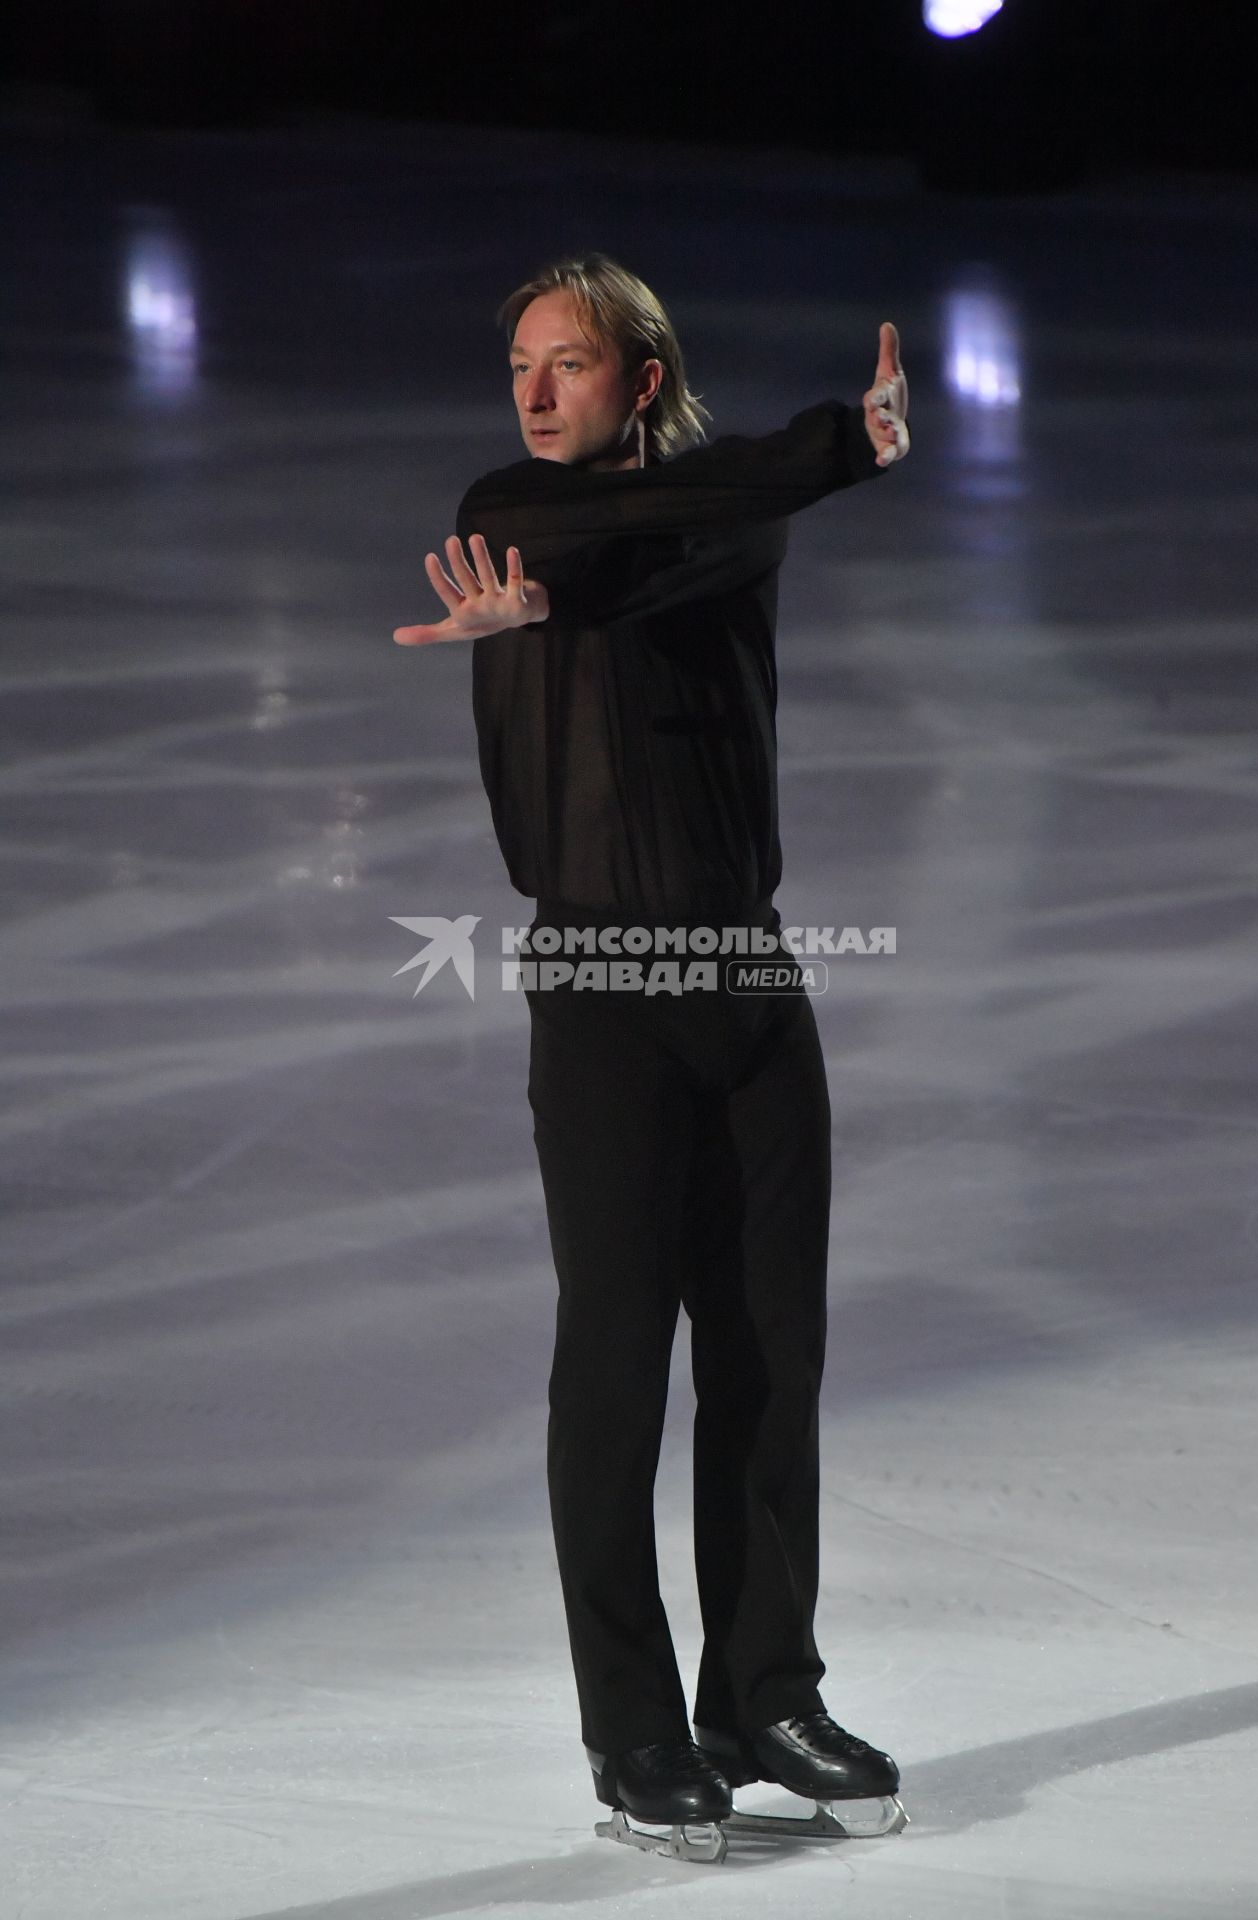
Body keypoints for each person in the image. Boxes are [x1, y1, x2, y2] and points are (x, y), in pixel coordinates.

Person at [394, 252, 911, 1854]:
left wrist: (810, 461)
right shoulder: (512, 512)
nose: (537, 393)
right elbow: (573, 549)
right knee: (617, 1366)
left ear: (641, 376)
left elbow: (657, 544)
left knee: (770, 1351)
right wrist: (842, 446)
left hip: (746, 973)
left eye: (570, 365)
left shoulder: (724, 516)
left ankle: (763, 1690)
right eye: (521, 367)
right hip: (604, 982)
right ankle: (632, 1734)